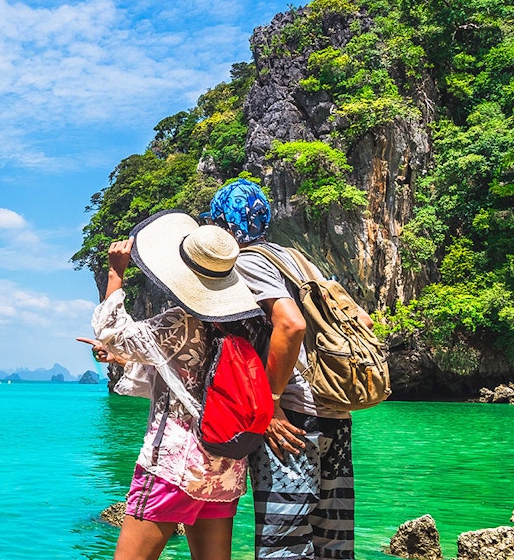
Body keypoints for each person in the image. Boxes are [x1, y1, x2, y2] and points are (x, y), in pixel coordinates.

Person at [77, 210, 270, 560]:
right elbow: (187, 374)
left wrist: (114, 273)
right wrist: (121, 360)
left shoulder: (180, 322)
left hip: (174, 465)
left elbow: (112, 332)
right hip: (224, 464)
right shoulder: (246, 324)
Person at [204, 179, 370, 560]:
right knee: (333, 540)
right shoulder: (294, 258)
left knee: (285, 542)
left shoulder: (248, 261)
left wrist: (271, 403)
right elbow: (358, 317)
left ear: (223, 224)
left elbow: (290, 324)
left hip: (295, 417)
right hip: (335, 413)